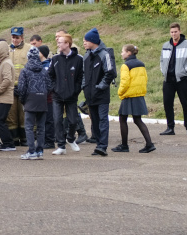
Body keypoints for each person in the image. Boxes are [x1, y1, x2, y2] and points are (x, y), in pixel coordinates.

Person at [112, 45, 155, 153]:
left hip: (129, 95)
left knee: (122, 118)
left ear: (128, 53)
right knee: (137, 119)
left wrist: (120, 92)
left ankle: (124, 145)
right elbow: (145, 78)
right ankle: (149, 144)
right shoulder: (141, 64)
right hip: (139, 95)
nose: (121, 53)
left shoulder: (125, 66)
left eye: (123, 51)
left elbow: (125, 82)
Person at [159, 22, 187, 136]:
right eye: (172, 32)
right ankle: (170, 127)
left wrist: (184, 70)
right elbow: (162, 60)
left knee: (185, 103)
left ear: (180, 31)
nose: (173, 34)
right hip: (168, 80)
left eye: (175, 32)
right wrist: (163, 71)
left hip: (182, 79)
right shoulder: (165, 45)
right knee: (167, 103)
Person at [82, 28, 116, 157]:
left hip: (101, 94)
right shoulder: (86, 55)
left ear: (93, 41)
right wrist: (84, 87)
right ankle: (98, 144)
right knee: (94, 120)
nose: (84, 43)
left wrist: (100, 86)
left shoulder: (104, 54)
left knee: (102, 120)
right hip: (90, 94)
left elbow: (110, 72)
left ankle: (102, 146)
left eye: (86, 40)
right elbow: (84, 74)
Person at [49, 34, 83, 156]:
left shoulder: (79, 59)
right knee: (57, 120)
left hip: (72, 95)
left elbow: (80, 77)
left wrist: (76, 90)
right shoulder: (55, 59)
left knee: (73, 121)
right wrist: (53, 88)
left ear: (67, 44)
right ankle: (61, 145)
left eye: (60, 42)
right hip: (57, 95)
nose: (58, 44)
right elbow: (50, 75)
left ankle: (70, 138)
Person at [16, 47, 53, 160]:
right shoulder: (43, 70)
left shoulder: (25, 70)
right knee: (41, 127)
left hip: (30, 100)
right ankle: (39, 151)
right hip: (42, 99)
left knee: (29, 127)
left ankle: (31, 151)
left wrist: (23, 100)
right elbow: (49, 86)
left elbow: (21, 88)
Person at [0, 40, 16, 151]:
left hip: (3, 97)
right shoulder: (3, 62)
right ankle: (7, 142)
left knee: (0, 120)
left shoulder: (6, 63)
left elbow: (7, 80)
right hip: (2, 97)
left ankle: (8, 143)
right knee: (0, 120)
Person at [6, 26, 28, 146]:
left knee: (23, 114)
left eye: (17, 37)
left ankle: (25, 139)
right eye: (13, 37)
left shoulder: (29, 48)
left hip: (24, 88)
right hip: (10, 88)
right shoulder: (7, 50)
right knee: (11, 115)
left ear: (22, 37)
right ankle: (14, 139)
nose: (15, 40)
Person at [38, 45, 56, 149]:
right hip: (41, 97)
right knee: (42, 120)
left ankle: (50, 141)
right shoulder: (39, 65)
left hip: (48, 97)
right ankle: (44, 139)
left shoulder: (48, 65)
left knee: (49, 119)